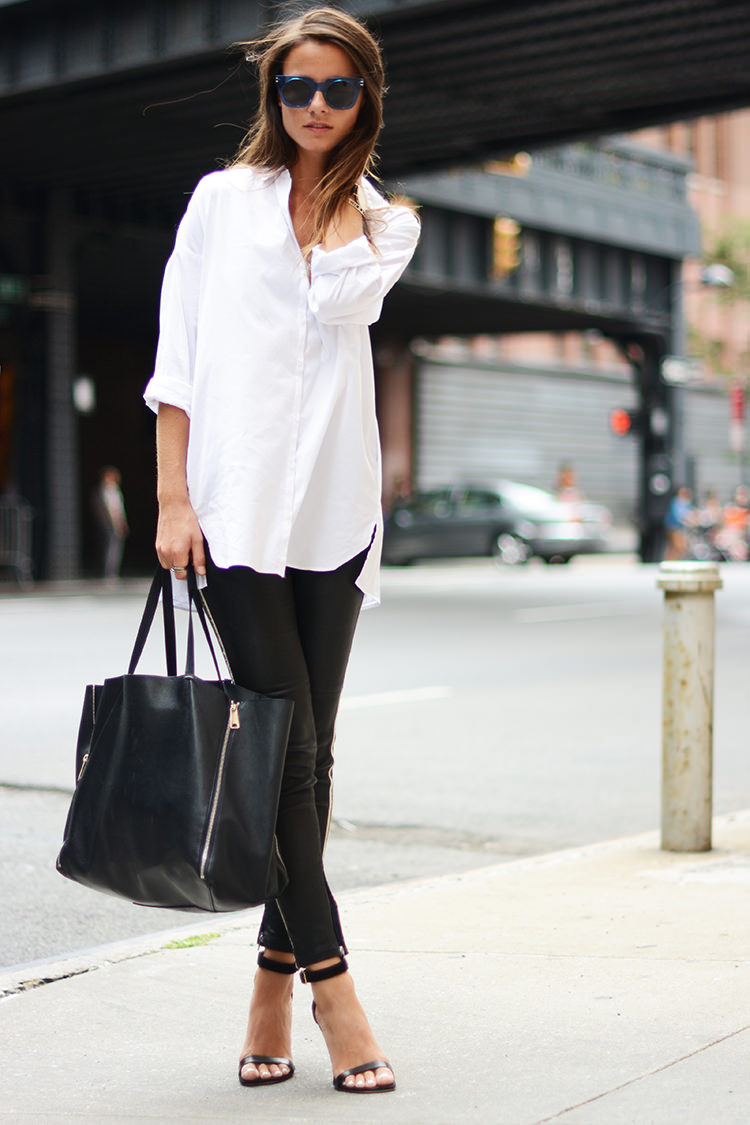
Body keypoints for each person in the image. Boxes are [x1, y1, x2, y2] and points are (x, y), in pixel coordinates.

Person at [143, 6, 419, 1095]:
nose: (313, 106)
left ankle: (267, 984)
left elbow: (343, 303)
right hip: (236, 512)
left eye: (337, 90)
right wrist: (173, 496)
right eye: (296, 87)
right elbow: (179, 356)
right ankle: (336, 993)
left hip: (334, 516)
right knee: (282, 753)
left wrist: (342, 206)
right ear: (274, 95)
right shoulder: (223, 203)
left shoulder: (385, 225)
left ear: (366, 100)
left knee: (312, 753)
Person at [91, 466, 129, 581]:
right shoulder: (106, 491)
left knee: (113, 548)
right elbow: (115, 510)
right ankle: (109, 572)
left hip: (112, 524)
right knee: (111, 548)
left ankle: (111, 571)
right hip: (109, 524)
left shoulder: (112, 490)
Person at [663, 485, 695, 560]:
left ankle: (673, 561)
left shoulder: (686, 503)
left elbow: (691, 513)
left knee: (675, 546)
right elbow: (678, 515)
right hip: (673, 527)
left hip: (679, 527)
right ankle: (671, 561)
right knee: (678, 545)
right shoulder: (676, 502)